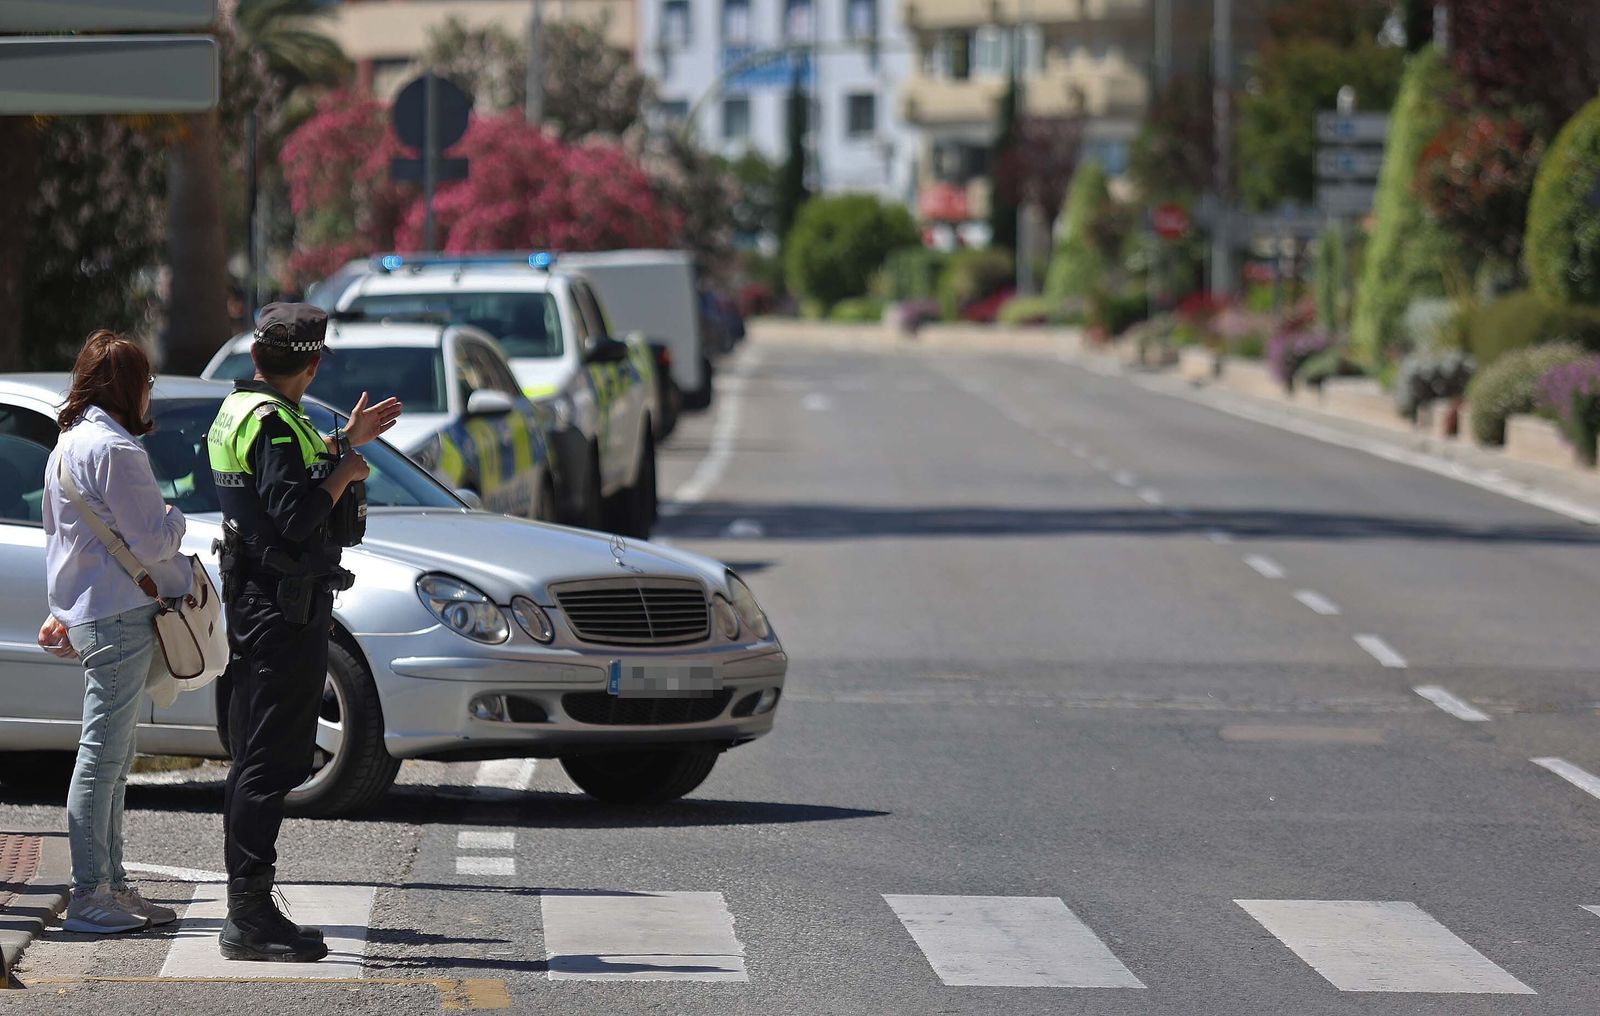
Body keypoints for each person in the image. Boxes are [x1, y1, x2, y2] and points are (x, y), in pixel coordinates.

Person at [205, 303, 401, 962]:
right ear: (312, 365)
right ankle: (250, 915)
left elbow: (275, 487)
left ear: (257, 359)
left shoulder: (242, 411)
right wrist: (346, 471)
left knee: (256, 757)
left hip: (260, 601)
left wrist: (346, 443)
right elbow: (293, 514)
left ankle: (247, 907)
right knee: (270, 761)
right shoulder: (279, 427)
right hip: (283, 608)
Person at [43, 331, 192, 934]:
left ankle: (111, 885)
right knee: (104, 758)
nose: (151, 394)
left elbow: (63, 539)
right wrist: (177, 520)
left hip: (94, 612)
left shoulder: (67, 446)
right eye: (147, 383)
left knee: (112, 755)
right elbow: (154, 539)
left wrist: (63, 606)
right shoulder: (117, 449)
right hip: (121, 614)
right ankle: (91, 895)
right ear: (130, 388)